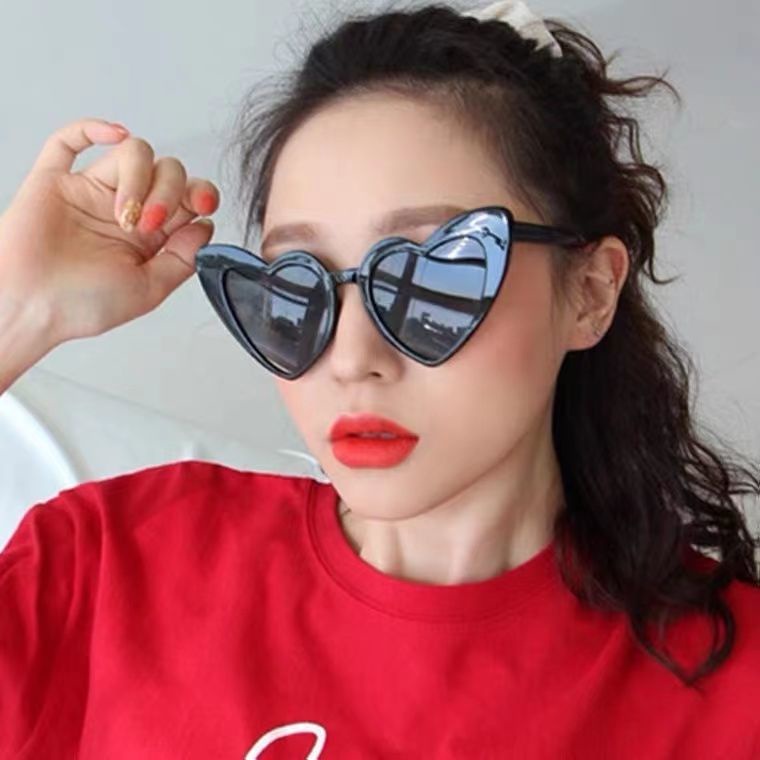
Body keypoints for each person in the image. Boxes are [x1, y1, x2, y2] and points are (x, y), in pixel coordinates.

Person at [1, 2, 759, 758]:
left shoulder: (734, 691)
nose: (350, 355)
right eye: (299, 284)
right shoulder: (114, 566)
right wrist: (16, 310)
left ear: (590, 292)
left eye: (432, 277)